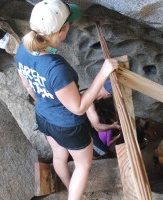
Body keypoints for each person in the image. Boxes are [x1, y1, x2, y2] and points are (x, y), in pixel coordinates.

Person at [15, 1, 119, 199]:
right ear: (62, 31)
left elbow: (28, 87)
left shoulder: (23, 48)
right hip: (67, 126)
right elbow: (79, 108)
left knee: (60, 156)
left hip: (44, 117)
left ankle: (69, 186)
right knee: (83, 164)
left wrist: (47, 101)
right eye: (68, 23)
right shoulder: (56, 68)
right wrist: (103, 72)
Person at [86, 81, 122, 159]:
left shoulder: (89, 91)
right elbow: (98, 127)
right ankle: (90, 159)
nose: (101, 98)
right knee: (102, 151)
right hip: (81, 131)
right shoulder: (89, 102)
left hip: (88, 128)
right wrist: (113, 126)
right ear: (108, 94)